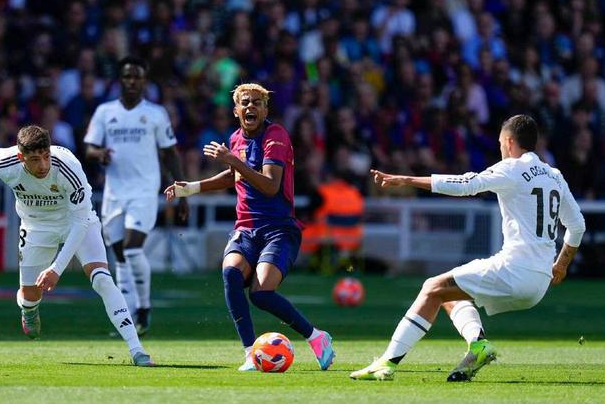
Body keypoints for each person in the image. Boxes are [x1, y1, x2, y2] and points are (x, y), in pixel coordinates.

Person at [350, 114, 586, 382]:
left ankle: (386, 363)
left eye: (500, 143)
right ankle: (478, 345)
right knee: (450, 293)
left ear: (509, 142)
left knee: (432, 287)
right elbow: (577, 226)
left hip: (515, 270)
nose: (500, 148)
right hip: (540, 282)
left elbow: (468, 185)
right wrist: (561, 265)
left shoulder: (512, 169)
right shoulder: (554, 175)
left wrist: (407, 180)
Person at [0, 125, 154, 366]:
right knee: (30, 295)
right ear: (21, 157)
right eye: (35, 159)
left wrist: (56, 268)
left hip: (76, 222)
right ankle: (29, 309)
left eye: (46, 156)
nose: (43, 165)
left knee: (102, 279)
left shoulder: (68, 167)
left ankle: (137, 350)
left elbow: (80, 223)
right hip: (36, 227)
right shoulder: (5, 163)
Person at [164, 83, 336, 371]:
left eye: (257, 102)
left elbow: (270, 185)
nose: (251, 107)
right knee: (231, 273)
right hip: (245, 229)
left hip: (278, 229)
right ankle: (249, 354)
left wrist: (232, 160)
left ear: (266, 110)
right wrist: (191, 188)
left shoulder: (276, 136)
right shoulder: (235, 139)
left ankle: (316, 337)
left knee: (260, 294)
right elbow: (234, 175)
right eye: (245, 102)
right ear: (236, 110)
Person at [84, 56, 188, 336]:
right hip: (114, 193)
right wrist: (100, 154)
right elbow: (89, 148)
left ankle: (144, 308)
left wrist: (183, 192)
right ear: (120, 80)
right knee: (119, 256)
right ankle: (128, 318)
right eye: (127, 76)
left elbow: (170, 153)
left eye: (137, 77)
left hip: (144, 190)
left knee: (132, 248)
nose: (132, 81)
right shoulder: (105, 112)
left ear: (144, 81)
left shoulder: (156, 114)